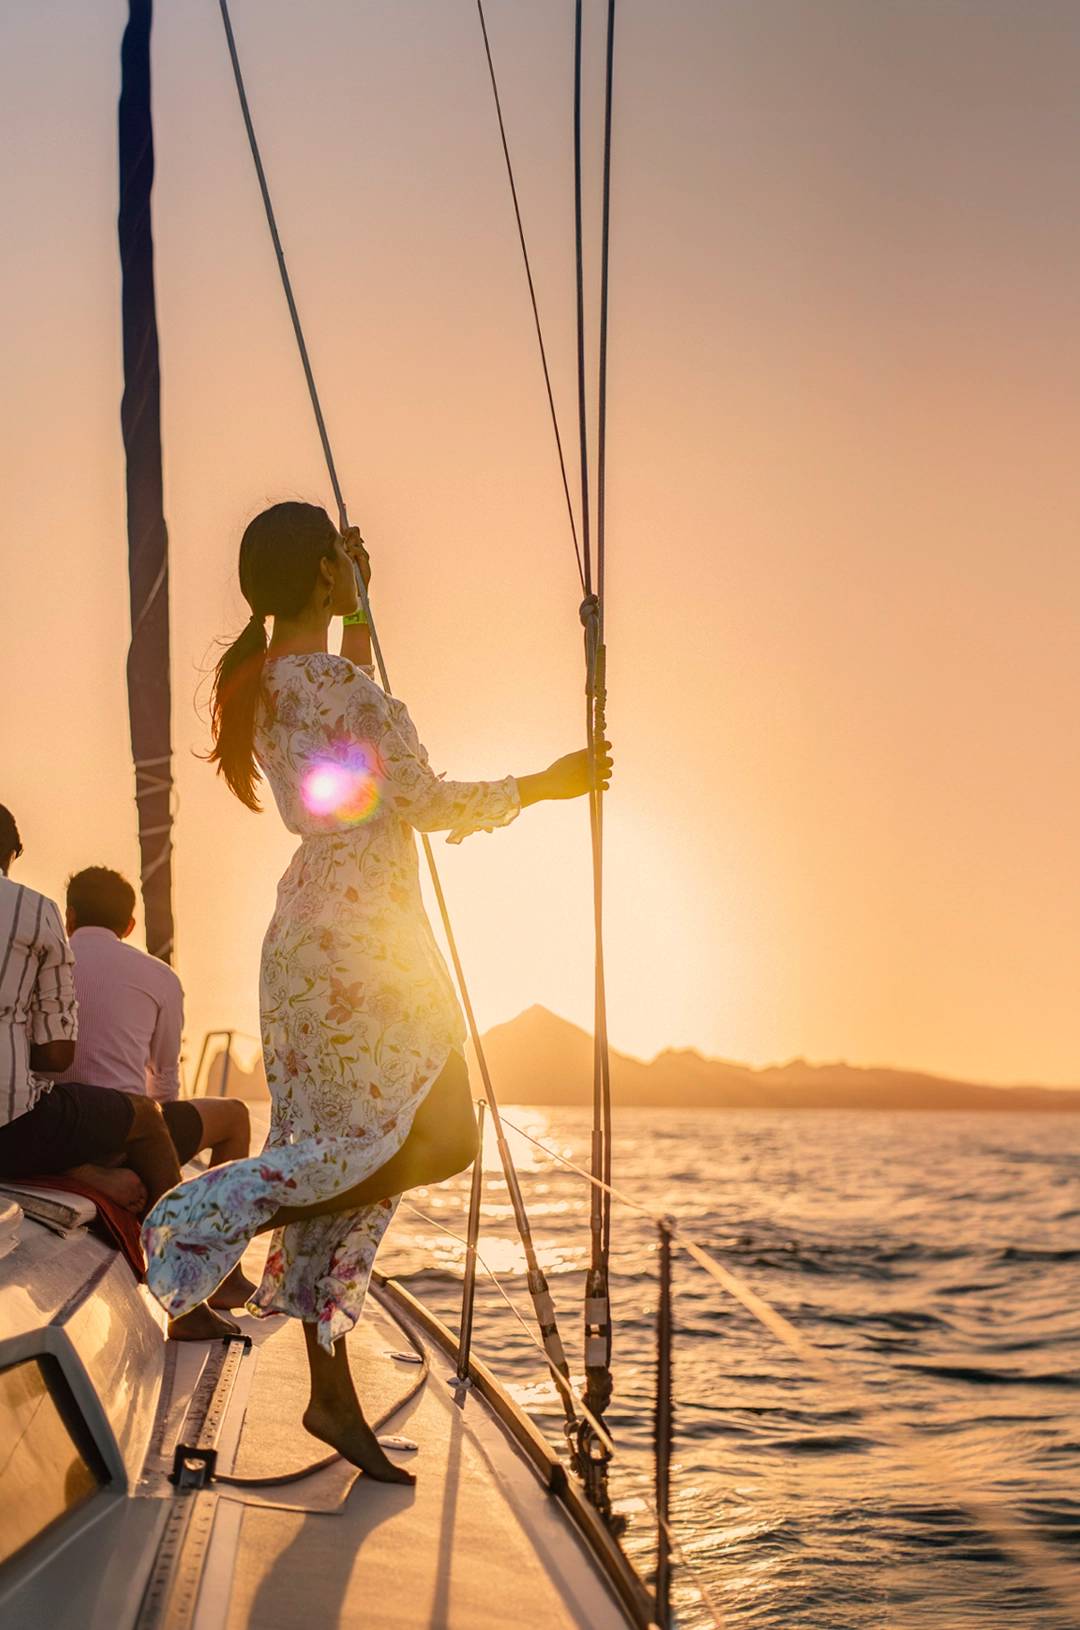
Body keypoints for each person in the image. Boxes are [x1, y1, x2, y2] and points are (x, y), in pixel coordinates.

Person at [141, 501, 613, 1482]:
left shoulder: (268, 683)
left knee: (342, 1154)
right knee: (442, 1135)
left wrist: (352, 610)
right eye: (342, 567)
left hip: (309, 945)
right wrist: (553, 783)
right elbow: (423, 798)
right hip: (371, 952)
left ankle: (329, 1389)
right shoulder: (344, 687)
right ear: (322, 572)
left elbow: (345, 768)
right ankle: (221, 1207)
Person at [0, 804, 237, 1341]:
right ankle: (186, 1298)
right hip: (12, 1126)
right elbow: (58, 1054)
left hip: (30, 1133)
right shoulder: (29, 912)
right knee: (145, 1116)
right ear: (10, 855)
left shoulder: (55, 925)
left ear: (72, 915)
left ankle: (85, 1173)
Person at [59, 865, 255, 1310]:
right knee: (235, 1116)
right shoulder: (158, 975)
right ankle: (225, 1276)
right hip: (126, 1132)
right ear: (129, 925)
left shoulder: (46, 962)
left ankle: (88, 1174)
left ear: (69, 916)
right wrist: (158, 1152)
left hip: (54, 1132)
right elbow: (164, 1079)